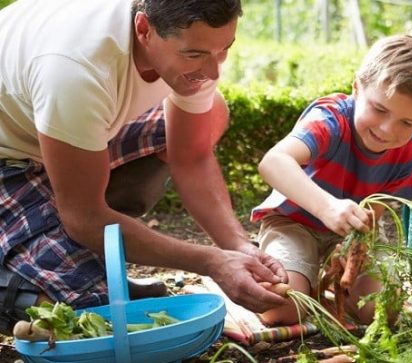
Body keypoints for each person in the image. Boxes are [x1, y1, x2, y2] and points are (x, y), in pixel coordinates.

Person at [0, 0, 288, 335]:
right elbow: (83, 216)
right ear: (143, 30)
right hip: (10, 158)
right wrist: (211, 262)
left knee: (211, 113)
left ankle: (65, 244)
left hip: (61, 133)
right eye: (195, 55)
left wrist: (238, 248)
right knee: (87, 314)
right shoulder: (77, 67)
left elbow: (191, 157)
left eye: (224, 49)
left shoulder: (196, 44)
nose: (213, 71)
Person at [251, 34, 412, 326]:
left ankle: (330, 285)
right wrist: (327, 208)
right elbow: (273, 162)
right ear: (357, 87)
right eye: (379, 109)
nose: (387, 129)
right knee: (281, 309)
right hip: (293, 223)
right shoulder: (330, 119)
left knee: (382, 312)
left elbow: (374, 214)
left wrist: (351, 247)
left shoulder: (410, 149)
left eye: (407, 122)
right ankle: (288, 277)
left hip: (353, 235)